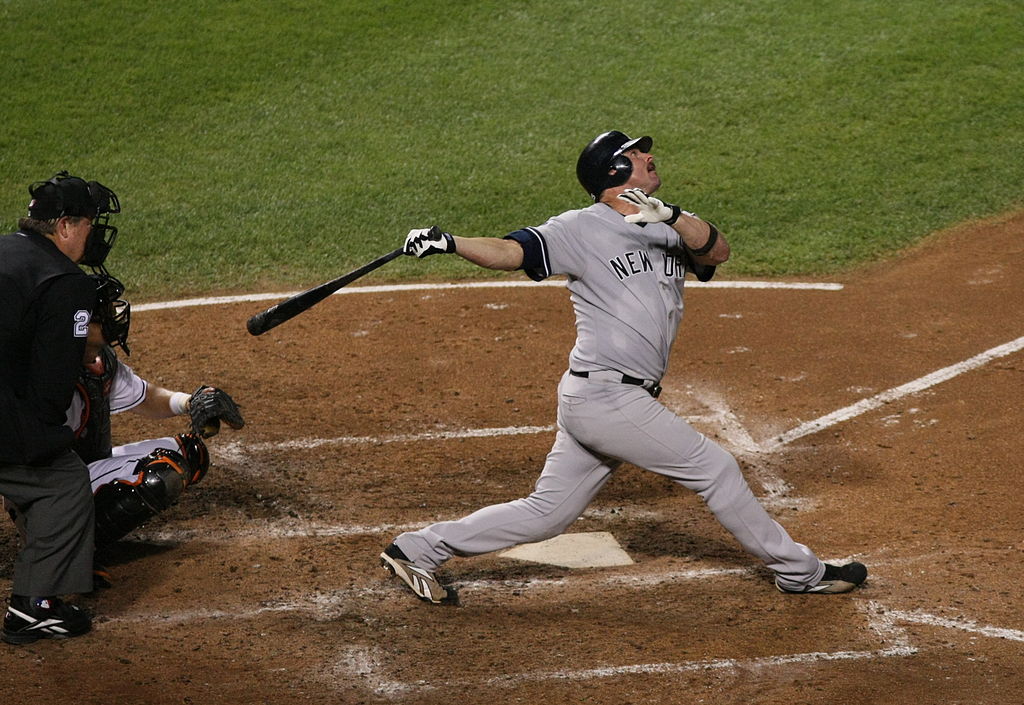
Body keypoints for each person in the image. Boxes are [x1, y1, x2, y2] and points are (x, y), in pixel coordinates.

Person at [380, 130, 867, 604]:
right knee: (714, 468)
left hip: (602, 397)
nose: (648, 157)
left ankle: (418, 548)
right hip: (607, 396)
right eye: (635, 154)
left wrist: (672, 217)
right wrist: (450, 242)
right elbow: (513, 252)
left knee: (547, 514)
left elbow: (717, 252)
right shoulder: (579, 227)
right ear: (614, 170)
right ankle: (800, 573)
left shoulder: (667, 223)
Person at [58, 273, 243, 586]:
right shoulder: (54, 378)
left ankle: (75, 535)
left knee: (189, 454)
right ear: (79, 324)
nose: (115, 316)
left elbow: (146, 398)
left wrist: (191, 401)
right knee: (157, 477)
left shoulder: (97, 360)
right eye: (103, 312)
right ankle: (70, 553)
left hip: (82, 470)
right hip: (53, 489)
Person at [0, 171, 121, 643]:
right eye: (90, 224)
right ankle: (35, 605)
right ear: (66, 226)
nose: (94, 235)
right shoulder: (65, 282)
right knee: (60, 478)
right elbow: (50, 395)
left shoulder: (7, 250)